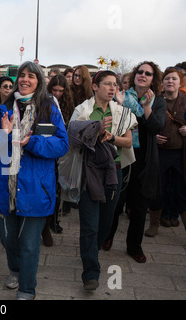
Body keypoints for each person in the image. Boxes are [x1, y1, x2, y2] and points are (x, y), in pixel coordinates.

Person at [0, 61, 69, 299]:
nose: (25, 79)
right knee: (7, 239)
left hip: (36, 187)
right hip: (6, 185)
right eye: (22, 76)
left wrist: (32, 142)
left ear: (39, 81)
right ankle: (15, 269)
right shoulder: (3, 109)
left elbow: (62, 144)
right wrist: (2, 136)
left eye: (31, 76)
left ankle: (27, 287)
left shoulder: (48, 109)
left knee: (29, 244)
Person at [69, 70, 137, 291]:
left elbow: (128, 142)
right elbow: (71, 139)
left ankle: (92, 253)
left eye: (115, 85)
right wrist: (94, 132)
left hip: (113, 172)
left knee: (106, 223)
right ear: (95, 86)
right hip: (89, 172)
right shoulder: (83, 111)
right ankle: (90, 272)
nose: (112, 88)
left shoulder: (121, 112)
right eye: (107, 84)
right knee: (89, 224)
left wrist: (111, 137)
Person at [120, 61, 166, 262]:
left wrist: (146, 107)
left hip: (144, 160)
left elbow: (156, 127)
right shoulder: (122, 96)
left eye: (148, 73)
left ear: (153, 79)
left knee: (139, 208)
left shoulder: (158, 101)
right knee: (116, 202)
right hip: (122, 154)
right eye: (140, 71)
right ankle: (107, 237)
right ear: (134, 74)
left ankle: (134, 247)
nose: (143, 75)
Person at [146, 67, 186, 246]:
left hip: (183, 154)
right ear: (162, 82)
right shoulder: (156, 101)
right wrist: (153, 135)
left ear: (180, 83)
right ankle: (154, 225)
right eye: (167, 79)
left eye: (174, 79)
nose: (170, 82)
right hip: (160, 153)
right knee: (158, 189)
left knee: (185, 192)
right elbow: (145, 122)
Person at [47, 74, 76, 234]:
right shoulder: (46, 101)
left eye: (61, 91)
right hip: (49, 146)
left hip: (62, 149)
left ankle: (54, 221)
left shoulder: (68, 105)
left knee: (59, 187)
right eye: (54, 90)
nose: (57, 93)